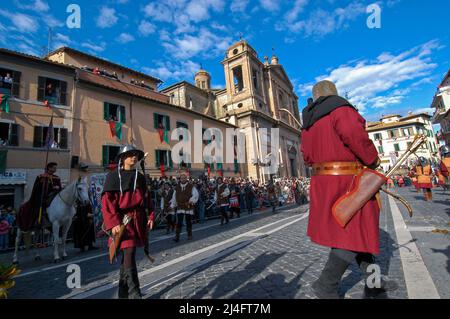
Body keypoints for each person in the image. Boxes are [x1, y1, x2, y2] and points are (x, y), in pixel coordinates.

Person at [301, 80, 397, 299]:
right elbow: (355, 136)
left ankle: (374, 282)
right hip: (348, 181)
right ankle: (326, 285)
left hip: (322, 183)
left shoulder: (308, 123)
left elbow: (306, 156)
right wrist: (372, 160)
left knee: (357, 231)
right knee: (351, 233)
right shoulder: (340, 109)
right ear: (333, 94)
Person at [101, 145, 154, 299]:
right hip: (122, 221)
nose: (134, 157)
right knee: (129, 253)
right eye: (130, 155)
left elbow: (147, 198)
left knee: (128, 256)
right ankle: (134, 294)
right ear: (123, 158)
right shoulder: (112, 177)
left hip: (138, 220)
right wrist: (114, 222)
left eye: (136, 155)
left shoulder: (141, 177)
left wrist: (150, 216)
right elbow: (107, 202)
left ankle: (123, 294)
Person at [170, 171, 199, 242]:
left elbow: (196, 195)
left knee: (188, 221)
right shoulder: (177, 188)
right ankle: (177, 236)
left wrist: (190, 201)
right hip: (180, 206)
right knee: (179, 222)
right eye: (181, 178)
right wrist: (173, 205)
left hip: (188, 206)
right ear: (180, 179)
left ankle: (189, 234)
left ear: (186, 178)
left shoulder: (191, 186)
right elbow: (174, 197)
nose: (182, 179)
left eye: (184, 178)